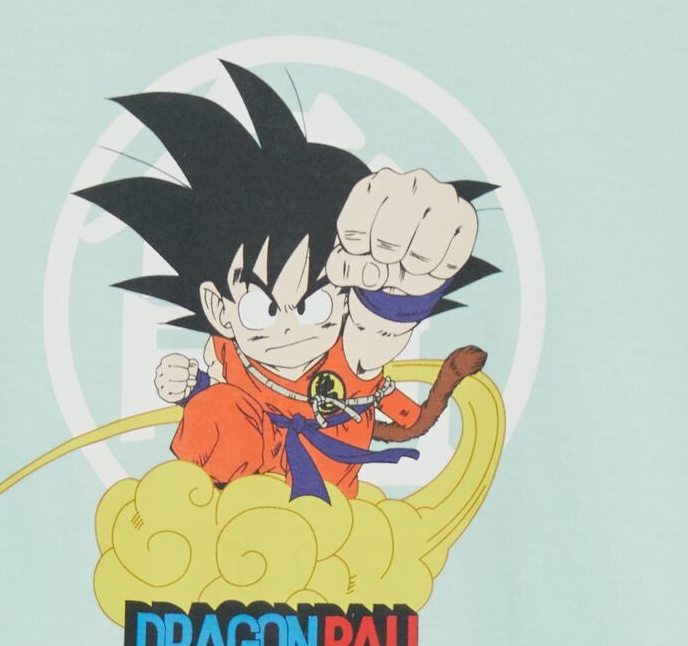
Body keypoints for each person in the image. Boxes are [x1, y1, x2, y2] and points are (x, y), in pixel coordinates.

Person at [78, 62, 498, 500]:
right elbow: (233, 404)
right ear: (219, 309)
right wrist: (192, 389)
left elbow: (380, 331)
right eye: (260, 308)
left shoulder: (349, 354)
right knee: (218, 406)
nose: (289, 327)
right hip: (228, 506)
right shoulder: (227, 354)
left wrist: (409, 278)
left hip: (327, 510)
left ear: (345, 297)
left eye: (314, 304)